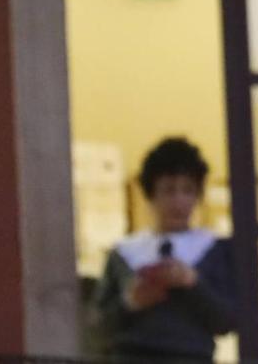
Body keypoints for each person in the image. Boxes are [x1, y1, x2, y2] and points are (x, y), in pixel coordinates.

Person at [93, 136, 238, 361]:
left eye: (188, 190)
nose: (179, 202)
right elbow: (99, 327)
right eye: (169, 191)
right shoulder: (124, 252)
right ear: (151, 195)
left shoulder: (215, 250)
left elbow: (228, 321)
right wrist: (131, 302)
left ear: (198, 196)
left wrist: (192, 284)